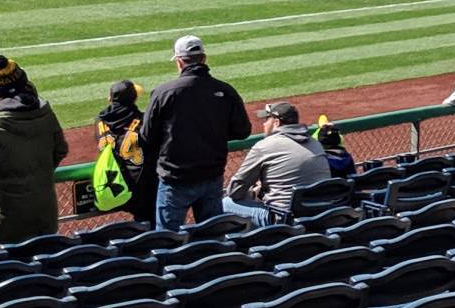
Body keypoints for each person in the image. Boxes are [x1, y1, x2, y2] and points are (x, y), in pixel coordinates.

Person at [141, 34, 251, 228]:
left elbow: (147, 136)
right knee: (213, 236)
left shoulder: (164, 92)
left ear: (179, 61)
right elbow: (242, 131)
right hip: (212, 176)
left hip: (175, 180)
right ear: (204, 58)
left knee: (168, 240)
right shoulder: (225, 90)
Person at [0, 56, 69, 247]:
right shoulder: (46, 113)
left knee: (15, 268)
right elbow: (61, 149)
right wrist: (41, 171)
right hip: (44, 211)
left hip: (9, 216)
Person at [225, 101, 334, 224]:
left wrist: (252, 193)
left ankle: (241, 242)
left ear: (276, 122)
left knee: (225, 203)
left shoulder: (264, 146)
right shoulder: (315, 143)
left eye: (267, 119)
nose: (264, 124)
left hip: (284, 220)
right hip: (321, 215)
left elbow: (235, 191)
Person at [93, 80, 155, 222]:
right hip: (141, 189)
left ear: (110, 98)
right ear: (134, 99)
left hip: (113, 186)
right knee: (149, 224)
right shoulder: (143, 120)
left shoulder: (99, 121)